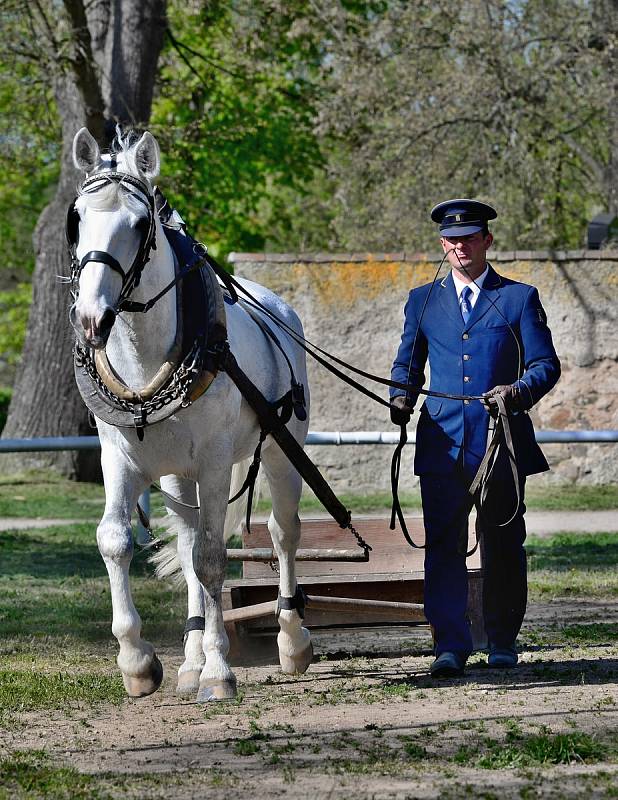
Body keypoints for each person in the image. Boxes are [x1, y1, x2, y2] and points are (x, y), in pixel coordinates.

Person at [390, 199, 560, 678]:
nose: (459, 247)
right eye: (451, 240)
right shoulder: (422, 300)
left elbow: (547, 366)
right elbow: (407, 362)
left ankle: (502, 640)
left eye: (468, 238)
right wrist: (400, 394)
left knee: (504, 541)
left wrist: (518, 391)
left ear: (487, 240)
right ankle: (450, 644)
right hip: (441, 442)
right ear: (442, 245)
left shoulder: (519, 298)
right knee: (442, 543)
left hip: (499, 440)